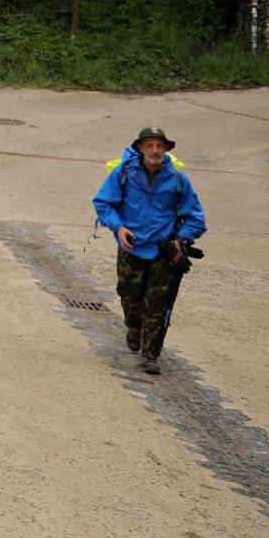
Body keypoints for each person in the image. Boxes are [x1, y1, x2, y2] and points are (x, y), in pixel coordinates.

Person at [92, 128, 206, 375]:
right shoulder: (124, 173)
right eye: (150, 145)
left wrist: (181, 240)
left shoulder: (178, 180)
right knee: (129, 296)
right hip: (131, 248)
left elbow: (196, 217)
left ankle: (150, 355)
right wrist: (118, 227)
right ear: (140, 148)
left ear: (166, 149)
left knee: (158, 304)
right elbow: (103, 203)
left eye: (159, 145)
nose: (155, 150)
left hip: (163, 252)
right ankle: (133, 327)